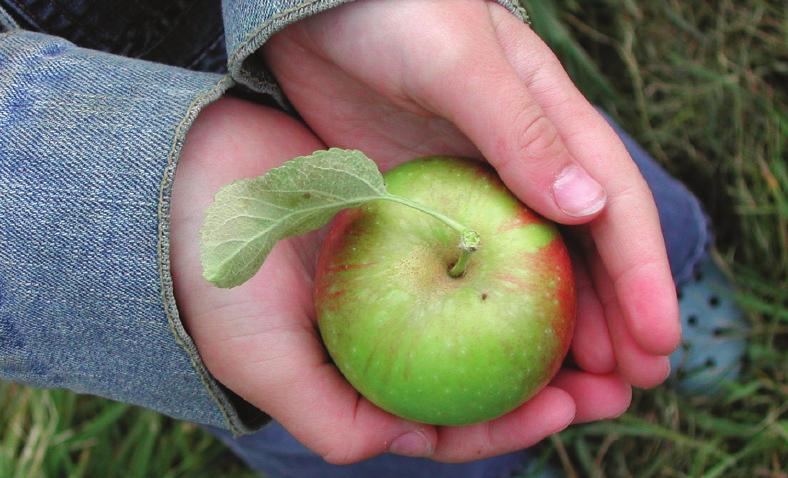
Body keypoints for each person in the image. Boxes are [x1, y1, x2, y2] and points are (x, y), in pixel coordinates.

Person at [0, 1, 745, 476]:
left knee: (546, 168)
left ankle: (673, 263)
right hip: (94, 177)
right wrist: (123, 205)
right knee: (311, 399)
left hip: (400, 96)